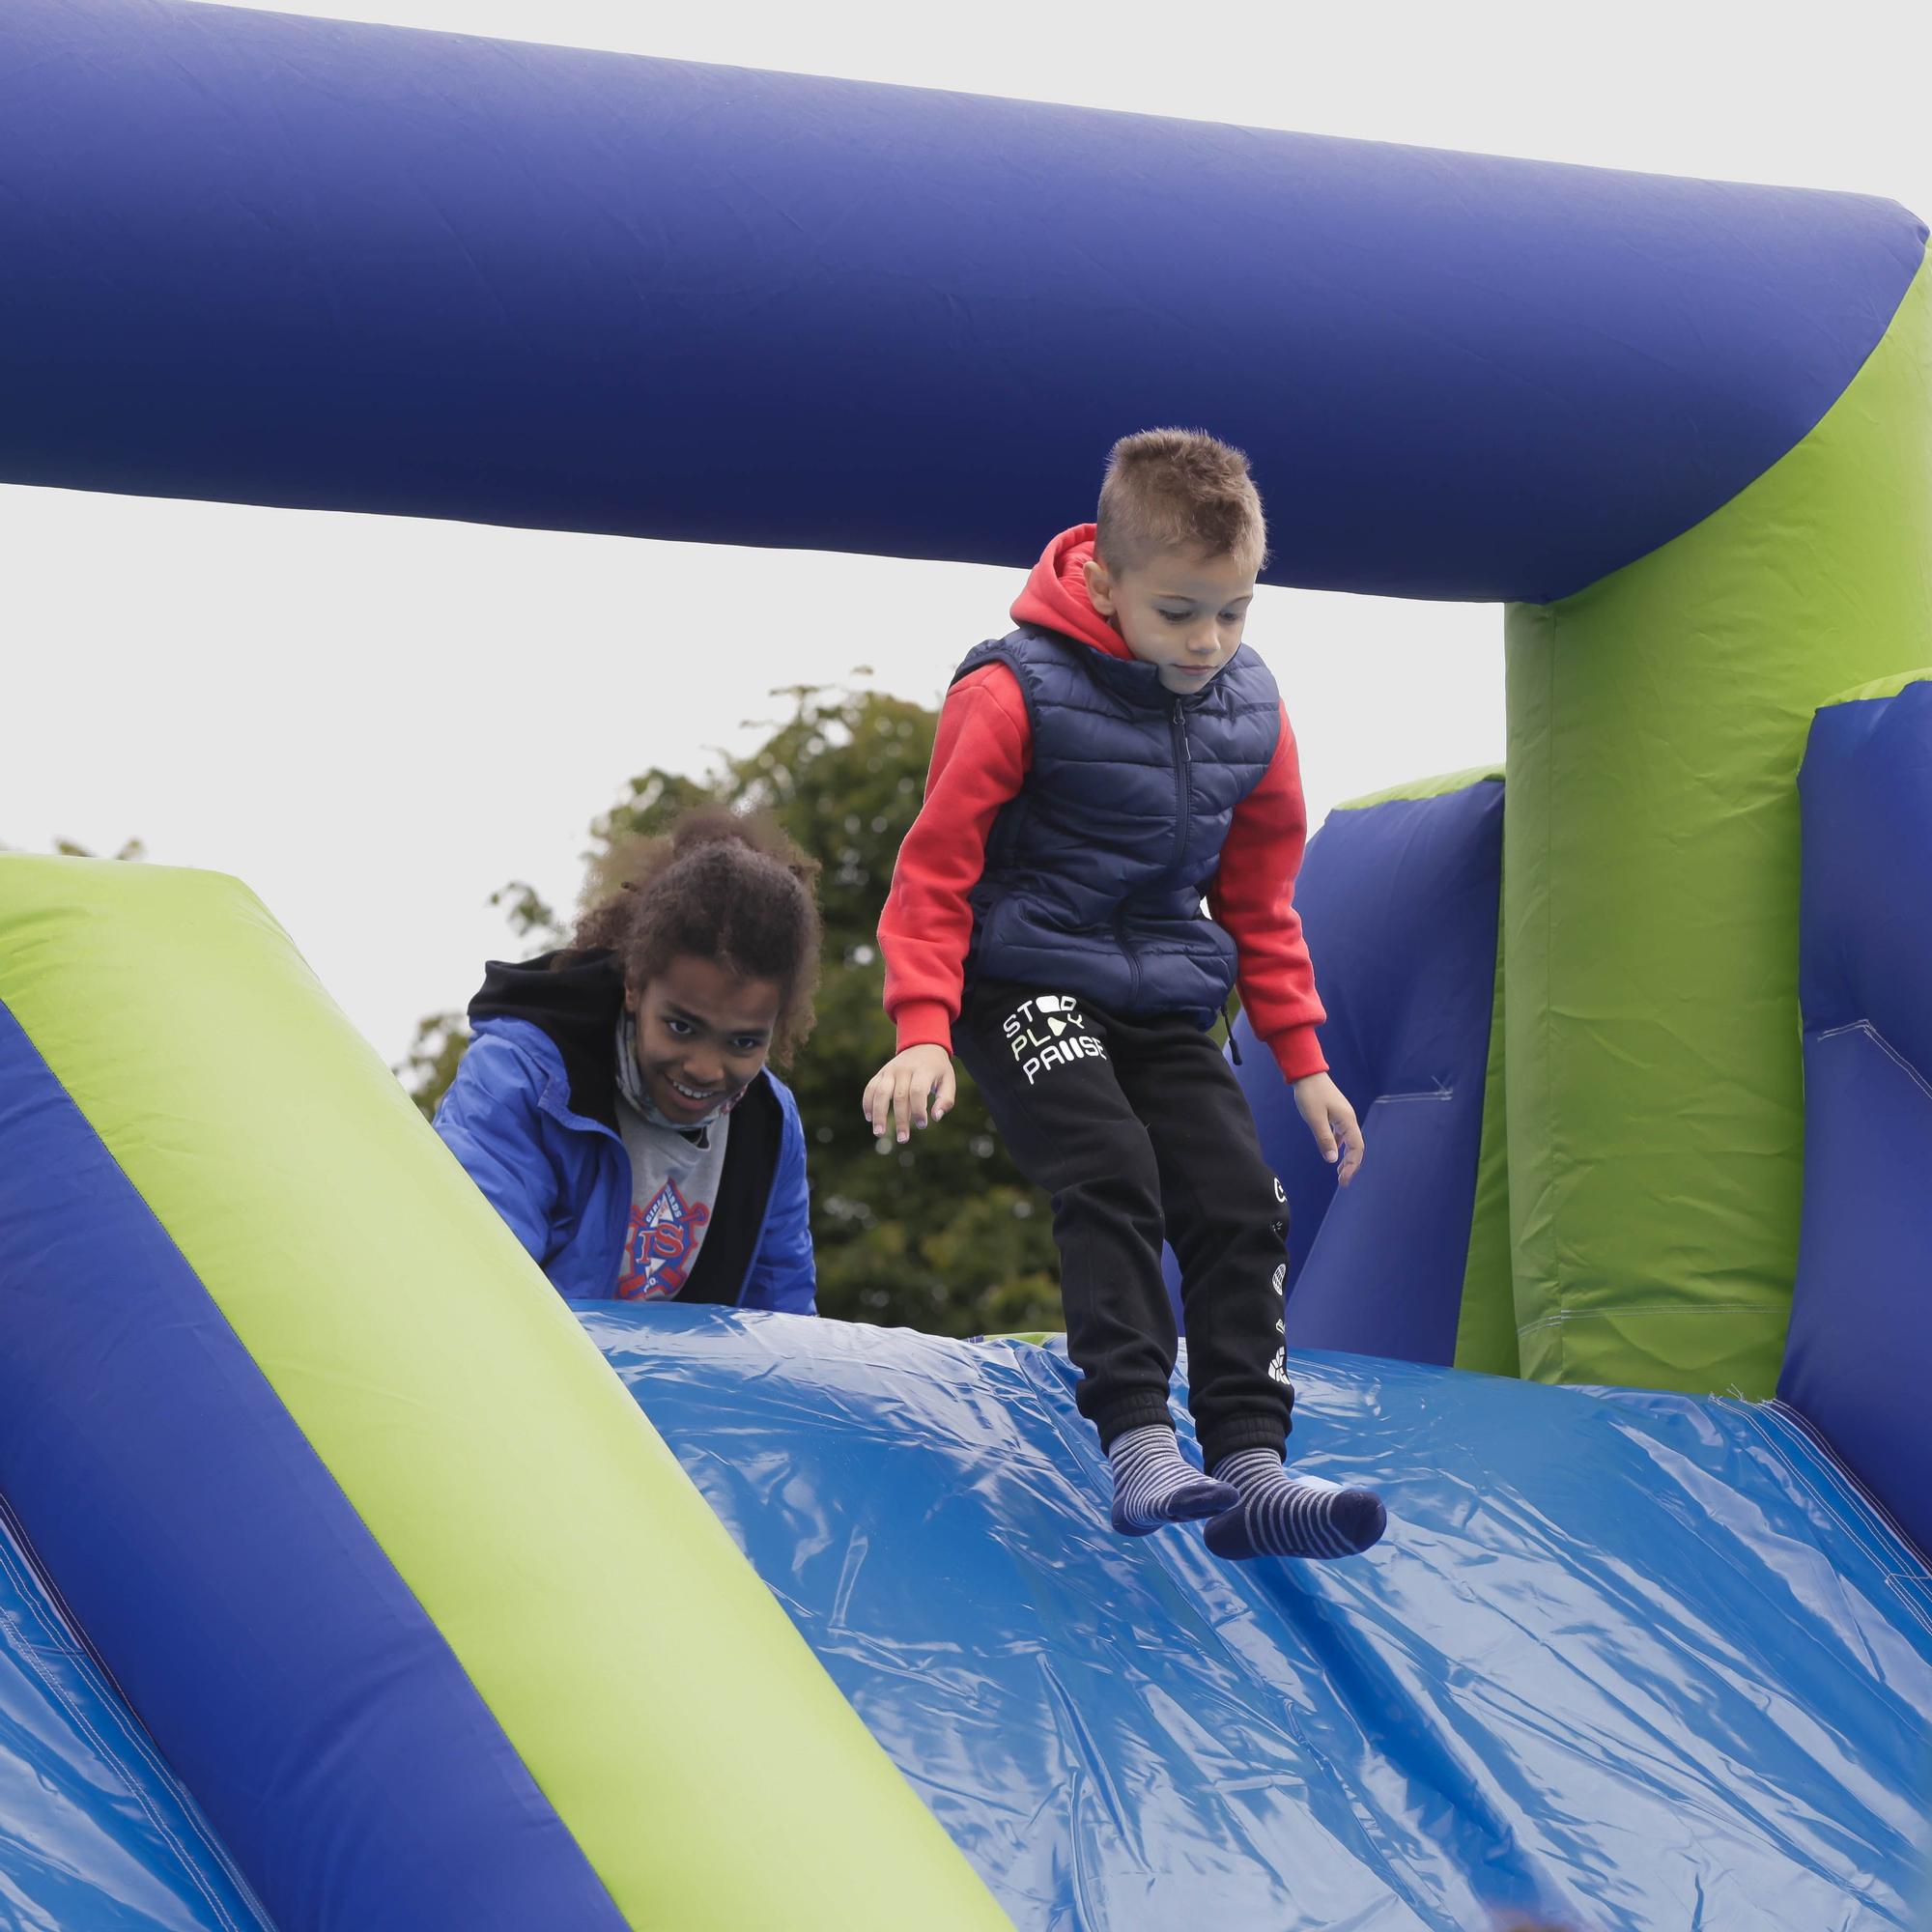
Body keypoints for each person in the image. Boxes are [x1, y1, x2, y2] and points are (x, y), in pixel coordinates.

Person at [865, 428, 1384, 1560]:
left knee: (1240, 1197)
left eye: (1234, 611)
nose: (1208, 640)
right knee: (1111, 1168)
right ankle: (1140, 1442)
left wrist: (1302, 1056)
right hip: (1026, 984)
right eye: (1179, 611)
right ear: (1101, 581)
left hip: (1158, 996)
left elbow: (1258, 899)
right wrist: (921, 1029)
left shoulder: (1251, 710)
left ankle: (1250, 1465)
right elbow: (934, 868)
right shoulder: (1013, 690)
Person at [437, 810, 819, 1312]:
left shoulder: (771, 1122)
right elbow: (470, 1283)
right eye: (681, 1027)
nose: (705, 1068)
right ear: (635, 986)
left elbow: (782, 1329)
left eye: (744, 1043)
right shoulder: (521, 1078)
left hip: (665, 1391)